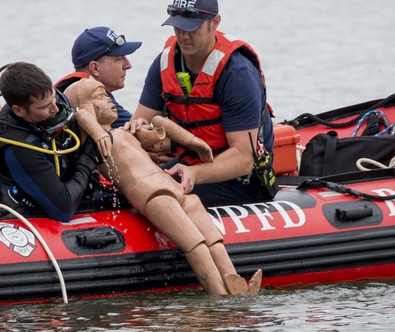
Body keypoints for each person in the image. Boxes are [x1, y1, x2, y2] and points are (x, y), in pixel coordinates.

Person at [65, 78, 262, 295]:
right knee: (195, 245)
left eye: (106, 93)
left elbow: (160, 127)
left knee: (213, 240)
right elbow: (81, 116)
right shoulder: (94, 143)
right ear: (87, 106)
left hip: (171, 186)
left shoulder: (123, 133)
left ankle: (237, 287)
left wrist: (193, 141)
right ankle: (219, 295)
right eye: (100, 96)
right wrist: (96, 128)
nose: (109, 99)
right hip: (152, 193)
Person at [130, 0, 276, 206]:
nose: (183, 35)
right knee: (129, 187)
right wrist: (137, 130)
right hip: (188, 163)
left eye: (192, 28)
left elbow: (243, 159)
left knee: (157, 195)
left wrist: (194, 173)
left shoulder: (237, 73)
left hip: (244, 179)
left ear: (214, 22)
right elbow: (140, 120)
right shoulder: (164, 63)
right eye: (177, 27)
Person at [0, 62, 99, 223]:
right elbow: (64, 209)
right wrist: (88, 158)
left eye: (53, 98)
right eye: (45, 107)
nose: (55, 109)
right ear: (19, 111)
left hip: (65, 180)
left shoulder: (48, 102)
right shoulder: (19, 148)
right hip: (29, 213)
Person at [54, 26, 142, 128]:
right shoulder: (92, 94)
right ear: (95, 68)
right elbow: (143, 132)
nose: (128, 65)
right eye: (118, 59)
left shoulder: (66, 90)